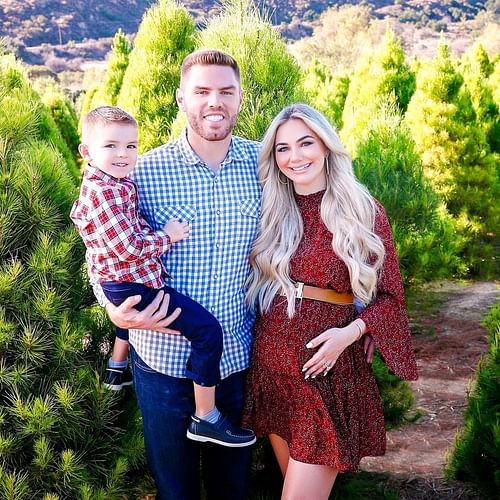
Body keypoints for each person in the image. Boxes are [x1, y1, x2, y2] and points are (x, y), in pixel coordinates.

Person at [90, 51, 261, 499]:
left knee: (233, 489)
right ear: (181, 99)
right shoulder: (140, 172)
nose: (214, 102)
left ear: (240, 99)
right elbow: (99, 252)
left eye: (225, 91)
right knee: (175, 490)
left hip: (236, 360)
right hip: (162, 363)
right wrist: (112, 307)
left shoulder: (264, 166)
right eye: (202, 91)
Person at [244, 103, 418, 499]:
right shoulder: (272, 210)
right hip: (274, 370)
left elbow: (390, 297)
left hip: (328, 376)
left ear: (325, 145)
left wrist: (351, 333)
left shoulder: (362, 209)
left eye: (305, 143)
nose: (295, 157)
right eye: (283, 148)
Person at [70, 106, 256, 449]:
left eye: (130, 146)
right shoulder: (112, 189)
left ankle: (117, 365)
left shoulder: (261, 161)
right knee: (206, 331)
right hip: (142, 313)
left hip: (237, 352)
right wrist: (167, 236)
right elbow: (122, 249)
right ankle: (207, 417)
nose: (123, 154)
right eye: (111, 146)